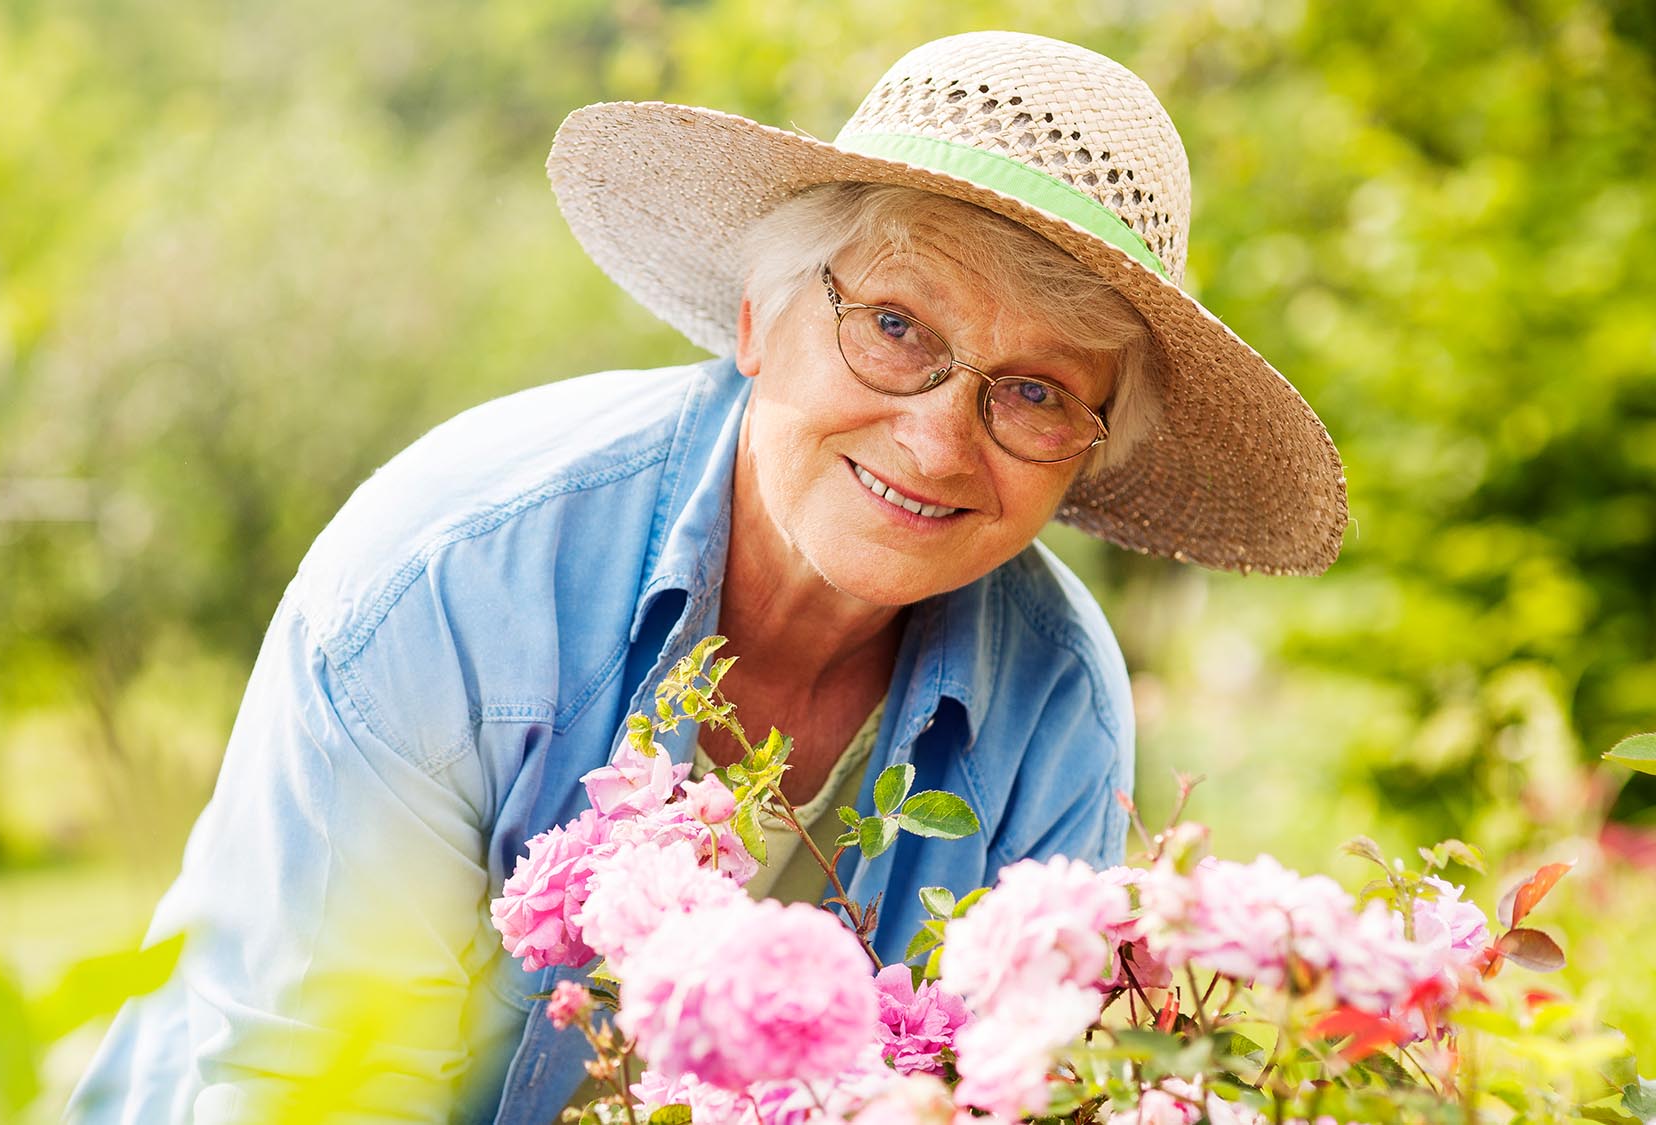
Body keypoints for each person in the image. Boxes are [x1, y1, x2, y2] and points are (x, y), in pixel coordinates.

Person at [67, 29, 1346, 1124]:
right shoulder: (457, 581)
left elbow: (1004, 1092)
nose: (939, 439)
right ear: (758, 316)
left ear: (1083, 457)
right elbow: (312, 1087)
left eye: (1035, 392)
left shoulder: (1054, 704)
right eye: (896, 327)